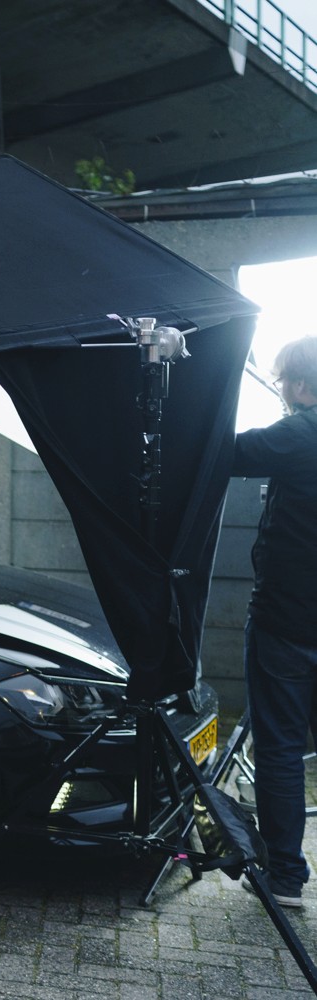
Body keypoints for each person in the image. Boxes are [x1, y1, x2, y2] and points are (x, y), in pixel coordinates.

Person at [231, 335, 317, 910]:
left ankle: (283, 876)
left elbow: (225, 451)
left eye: (285, 380)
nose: (282, 390)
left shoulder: (300, 434)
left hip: (289, 624)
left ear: (303, 384)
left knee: (282, 749)